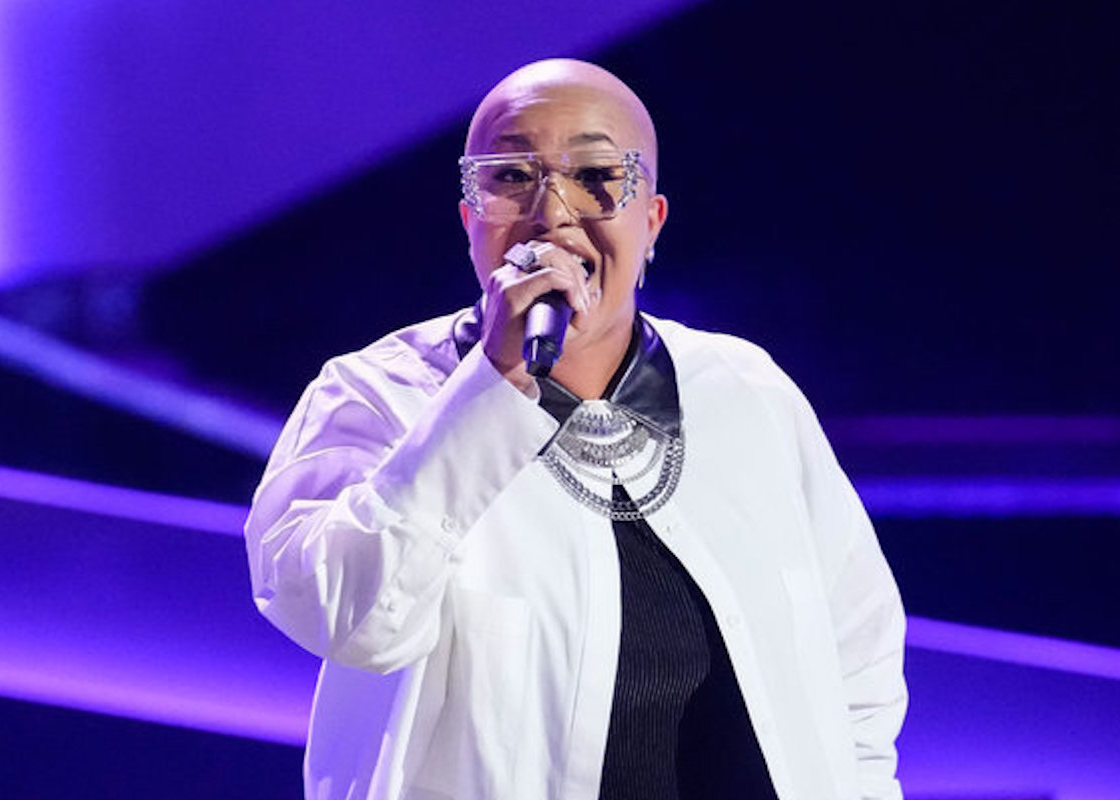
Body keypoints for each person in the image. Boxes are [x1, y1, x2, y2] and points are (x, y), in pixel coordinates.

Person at [244, 59, 907, 800]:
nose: (553, 214)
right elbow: (342, 619)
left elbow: (859, 659)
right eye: (512, 177)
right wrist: (492, 383)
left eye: (596, 176)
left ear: (651, 221)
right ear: (470, 220)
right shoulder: (374, 396)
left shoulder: (747, 392)